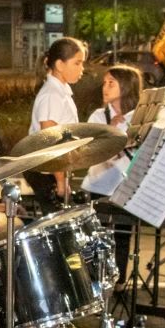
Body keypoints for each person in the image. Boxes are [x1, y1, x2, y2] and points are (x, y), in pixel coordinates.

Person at [81, 65, 143, 292]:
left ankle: (119, 281)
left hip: (125, 183)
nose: (105, 88)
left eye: (111, 83)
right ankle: (96, 282)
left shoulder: (138, 117)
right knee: (96, 235)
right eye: (104, 83)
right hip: (99, 183)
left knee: (122, 235)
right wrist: (111, 129)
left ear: (126, 87)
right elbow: (93, 148)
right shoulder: (98, 115)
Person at [26, 36, 87, 214]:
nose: (82, 68)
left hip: (54, 171)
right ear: (60, 65)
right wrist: (60, 179)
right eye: (77, 63)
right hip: (47, 173)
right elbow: (50, 139)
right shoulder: (52, 95)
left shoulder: (61, 92)